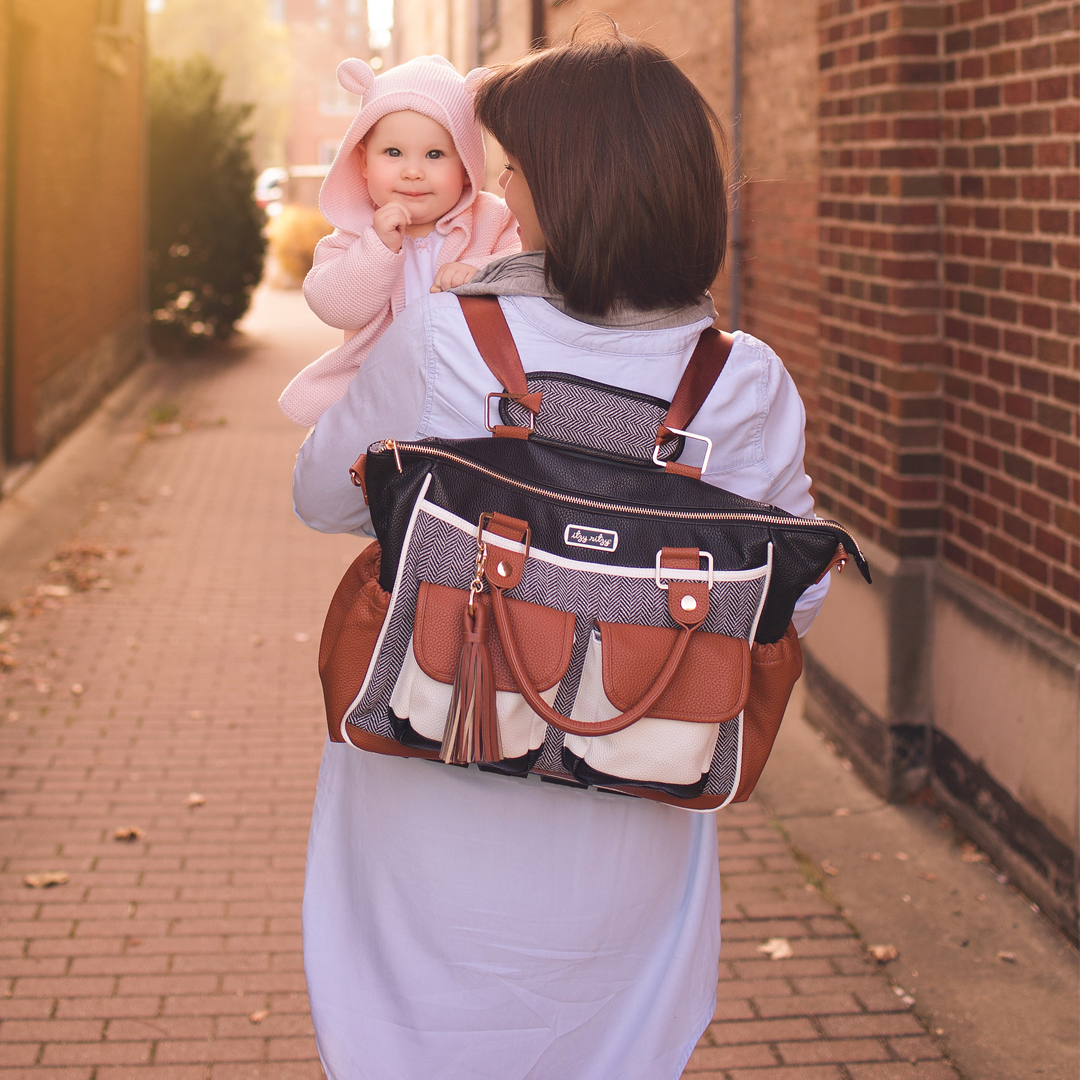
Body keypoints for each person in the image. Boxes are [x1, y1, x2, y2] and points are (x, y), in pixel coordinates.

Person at [292, 28, 831, 1080]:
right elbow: (787, 605)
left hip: (434, 750)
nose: (500, 192)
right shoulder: (745, 380)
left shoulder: (447, 336)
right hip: (635, 784)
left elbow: (321, 497)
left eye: (514, 171)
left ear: (564, 188)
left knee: (416, 1041)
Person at [278, 54, 520, 428]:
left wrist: (478, 274)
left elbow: (531, 269)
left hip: (474, 400)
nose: (412, 171)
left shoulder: (494, 220)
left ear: (467, 165)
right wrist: (376, 248)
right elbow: (334, 306)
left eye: (435, 154)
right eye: (393, 153)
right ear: (362, 161)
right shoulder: (354, 237)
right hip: (382, 402)